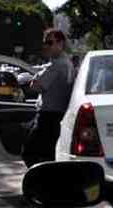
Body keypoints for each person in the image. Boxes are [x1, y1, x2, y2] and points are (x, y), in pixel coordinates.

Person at [22, 28, 75, 168]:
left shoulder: (57, 65)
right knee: (50, 154)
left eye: (50, 42)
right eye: (45, 42)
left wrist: (34, 78)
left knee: (29, 153)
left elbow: (35, 86)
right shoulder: (66, 62)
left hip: (48, 117)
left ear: (60, 43)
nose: (46, 46)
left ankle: (39, 182)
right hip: (58, 116)